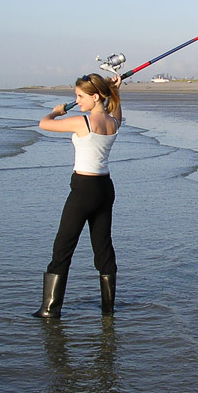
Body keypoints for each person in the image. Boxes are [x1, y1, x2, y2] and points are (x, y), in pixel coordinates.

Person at [33, 72, 122, 318]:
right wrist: (116, 93)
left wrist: (56, 111)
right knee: (103, 247)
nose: (77, 100)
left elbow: (43, 123)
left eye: (80, 96)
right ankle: (108, 309)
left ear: (96, 97)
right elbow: (115, 112)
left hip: (83, 190)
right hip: (105, 189)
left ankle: (49, 309)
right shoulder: (113, 122)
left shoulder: (81, 122)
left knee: (63, 247)